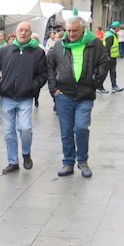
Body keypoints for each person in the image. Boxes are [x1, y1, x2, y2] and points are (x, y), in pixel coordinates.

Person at [46, 16, 108, 178]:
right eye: (68, 31)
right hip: (63, 95)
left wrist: (96, 82)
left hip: (85, 95)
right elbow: (50, 67)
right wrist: (54, 89)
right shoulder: (59, 46)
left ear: (83, 29)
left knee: (81, 128)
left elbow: (104, 62)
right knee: (66, 131)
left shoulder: (94, 43)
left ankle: (82, 161)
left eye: (75, 31)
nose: (71, 34)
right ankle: (68, 163)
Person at [0, 21, 48, 174]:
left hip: (25, 97)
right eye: (21, 30)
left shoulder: (37, 52)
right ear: (16, 32)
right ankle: (12, 161)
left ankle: (26, 153)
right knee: (8, 132)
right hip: (7, 97)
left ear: (30, 33)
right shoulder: (5, 51)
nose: (23, 33)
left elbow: (43, 74)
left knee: (25, 128)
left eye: (27, 30)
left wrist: (32, 86)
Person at [101, 21, 124, 93]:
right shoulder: (110, 35)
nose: (120, 29)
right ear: (116, 28)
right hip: (109, 58)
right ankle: (99, 87)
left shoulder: (112, 34)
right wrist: (107, 57)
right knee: (104, 72)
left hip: (112, 57)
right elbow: (107, 47)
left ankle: (114, 86)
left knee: (112, 72)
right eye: (119, 27)